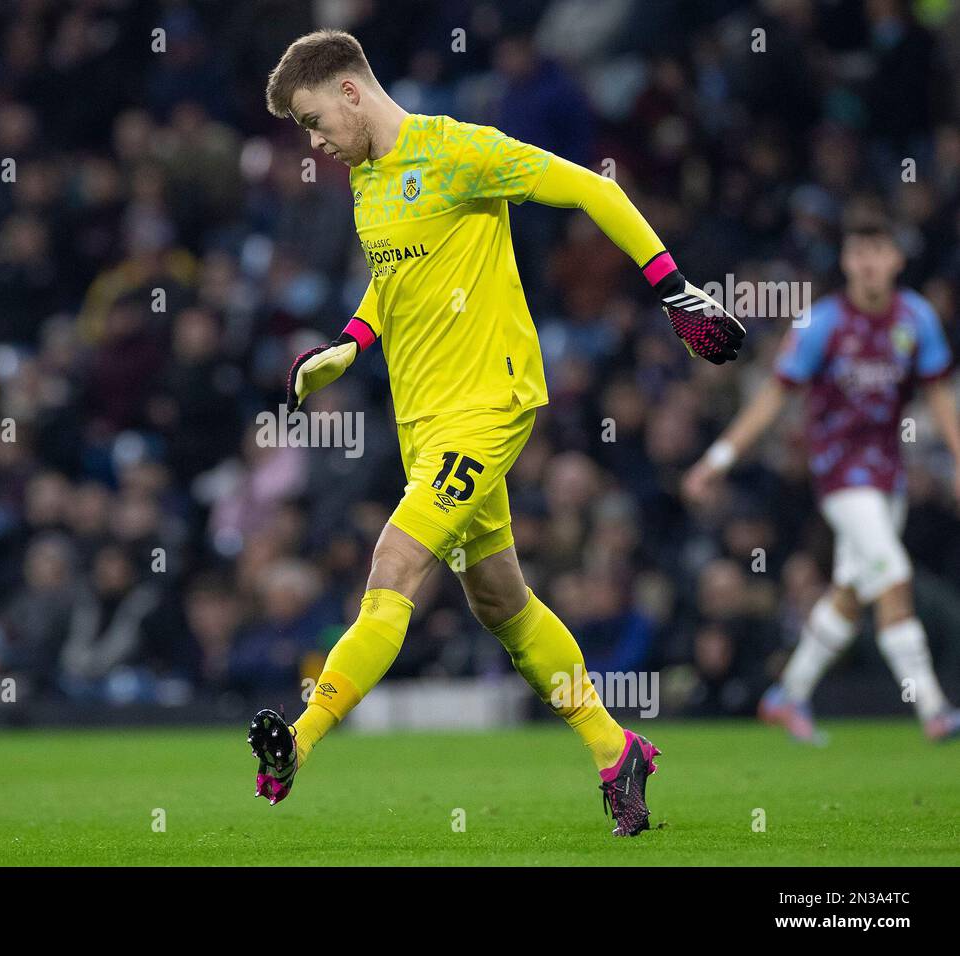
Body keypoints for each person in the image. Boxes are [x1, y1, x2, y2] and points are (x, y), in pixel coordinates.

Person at [248, 30, 745, 836]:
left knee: (394, 565)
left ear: (348, 92)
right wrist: (350, 344)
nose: (313, 144)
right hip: (424, 423)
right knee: (499, 600)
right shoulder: (369, 179)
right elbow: (393, 277)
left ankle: (296, 743)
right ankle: (616, 750)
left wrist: (674, 289)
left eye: (312, 120)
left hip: (487, 408)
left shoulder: (461, 151)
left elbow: (592, 189)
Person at [682, 205, 960, 744]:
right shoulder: (823, 323)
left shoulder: (916, 319)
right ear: (847, 262)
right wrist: (716, 461)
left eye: (878, 251)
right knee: (894, 575)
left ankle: (787, 694)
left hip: (888, 476)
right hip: (838, 472)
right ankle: (932, 708)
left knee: (853, 593)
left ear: (896, 259)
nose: (869, 263)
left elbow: (939, 395)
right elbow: (772, 397)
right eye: (859, 253)